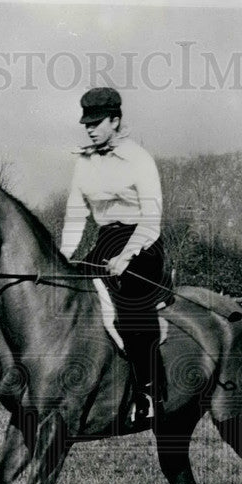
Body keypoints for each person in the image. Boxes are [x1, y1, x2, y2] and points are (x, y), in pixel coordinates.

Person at [59, 86, 173, 426]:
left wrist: (126, 256)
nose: (90, 129)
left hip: (142, 242)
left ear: (116, 121)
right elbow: (76, 216)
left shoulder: (139, 160)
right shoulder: (84, 163)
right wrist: (62, 259)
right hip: (105, 239)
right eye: (87, 124)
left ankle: (148, 391)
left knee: (130, 303)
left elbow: (152, 220)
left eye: (97, 122)